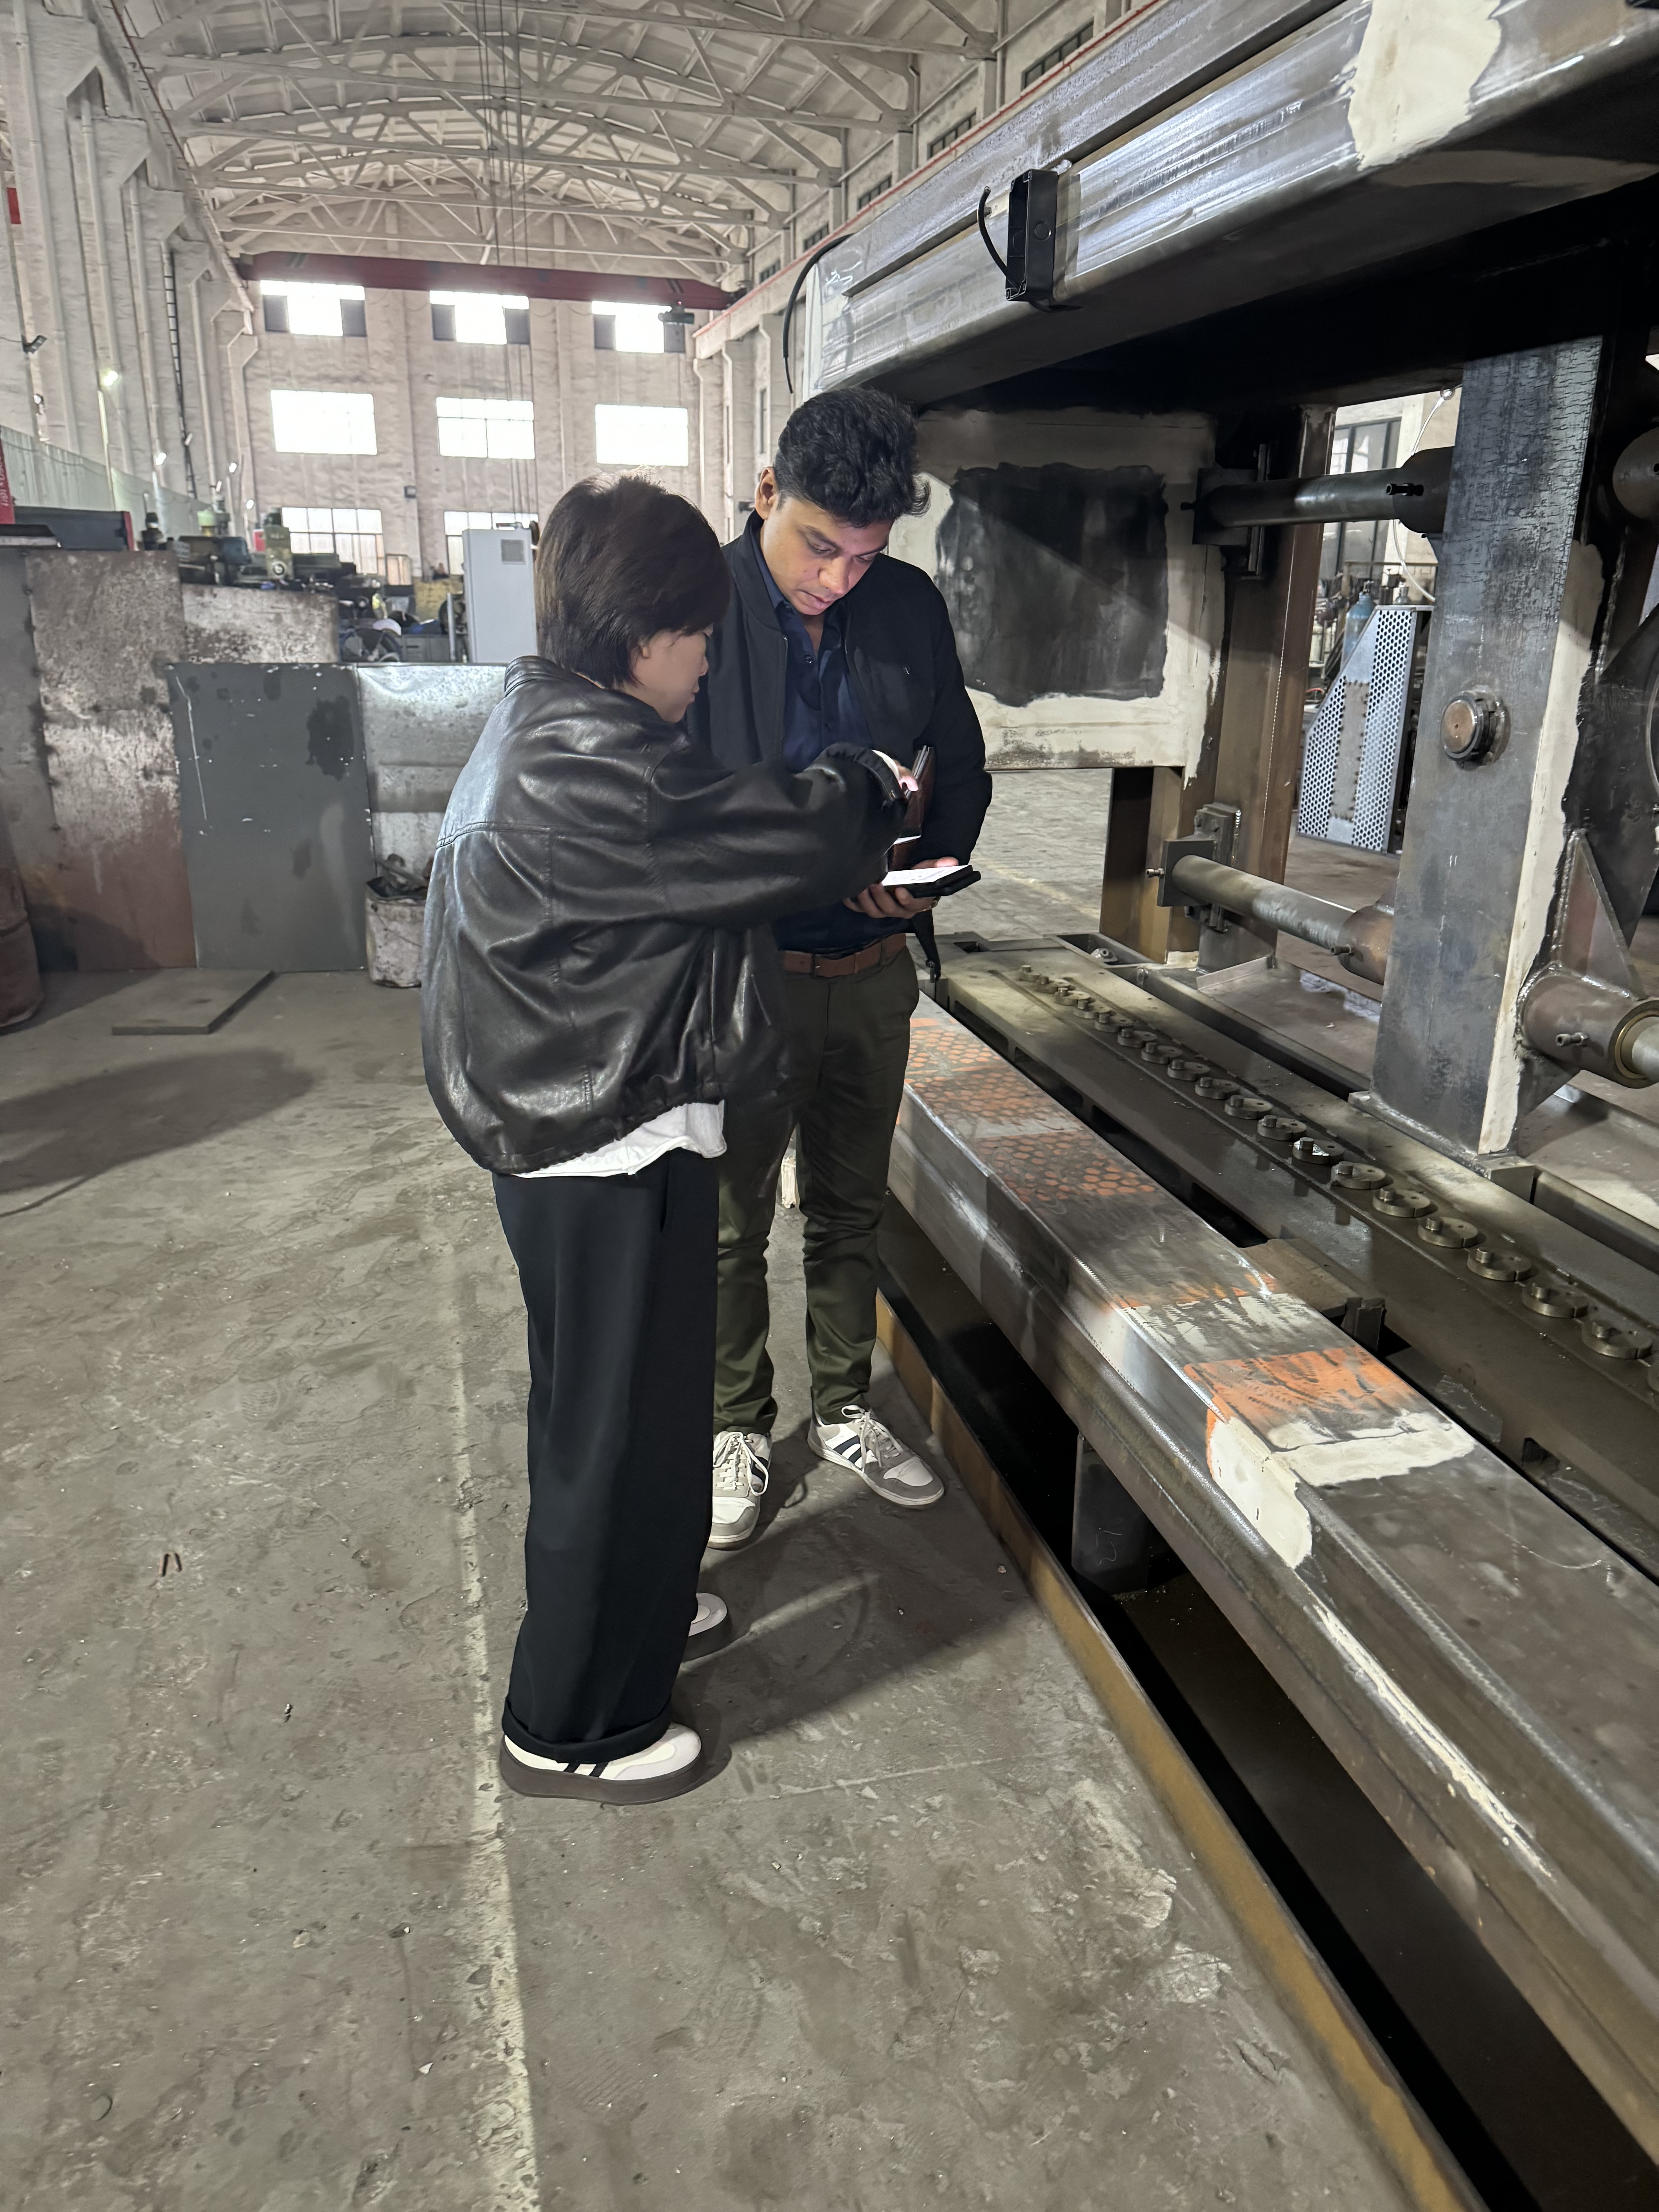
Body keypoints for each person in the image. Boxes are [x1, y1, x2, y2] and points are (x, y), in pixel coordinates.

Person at [421, 476, 912, 1805]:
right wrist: (865, 782)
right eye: (699, 639)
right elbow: (766, 832)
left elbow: (700, 865)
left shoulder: (555, 720)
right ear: (644, 633)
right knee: (616, 1441)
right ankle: (572, 1721)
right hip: (600, 1138)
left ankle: (633, 1613)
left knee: (615, 1423)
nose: (705, 664)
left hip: (592, 1125)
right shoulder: (599, 766)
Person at [685, 388, 992, 1547]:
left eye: (864, 557)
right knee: (729, 1223)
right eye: (818, 547)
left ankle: (847, 1406)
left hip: (867, 969)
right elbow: (682, 809)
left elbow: (956, 764)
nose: (836, 581)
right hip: (746, 976)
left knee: (850, 1209)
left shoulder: (906, 610)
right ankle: (736, 1425)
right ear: (766, 495)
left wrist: (921, 876)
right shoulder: (696, 611)